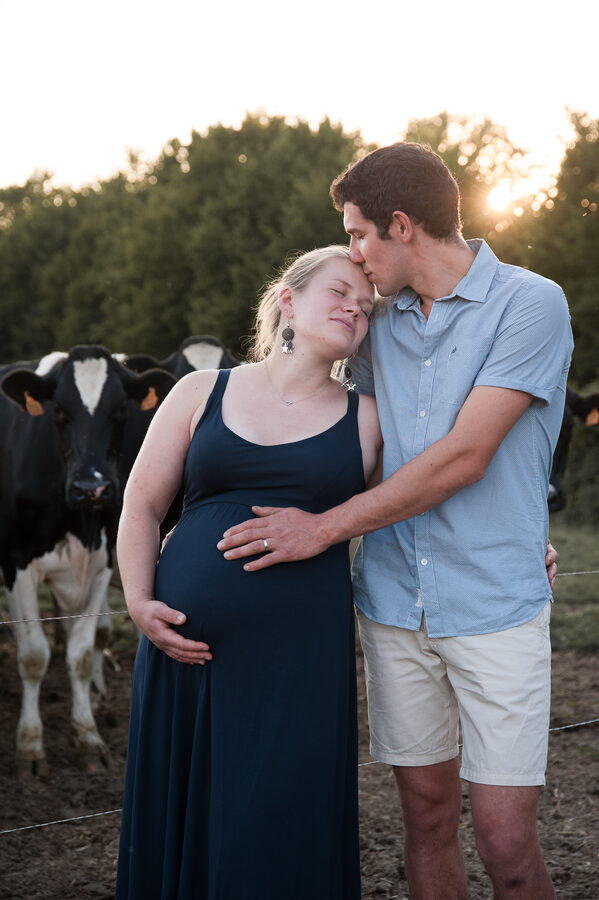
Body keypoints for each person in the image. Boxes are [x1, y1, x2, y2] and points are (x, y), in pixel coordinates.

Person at [217, 143, 573, 899]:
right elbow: (343, 435)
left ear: (401, 226)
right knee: (425, 817)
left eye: (357, 233)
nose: (353, 253)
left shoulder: (530, 302)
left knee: (507, 845)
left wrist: (320, 529)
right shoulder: (376, 324)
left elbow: (464, 456)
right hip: (391, 606)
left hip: (494, 608)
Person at [114, 245, 382, 900]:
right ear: (288, 300)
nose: (355, 307)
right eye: (341, 291)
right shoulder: (201, 390)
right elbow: (142, 505)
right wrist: (139, 601)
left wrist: (524, 542)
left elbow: (419, 505)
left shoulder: (368, 420)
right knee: (182, 814)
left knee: (279, 810)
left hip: (299, 658)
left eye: (368, 307)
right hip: (185, 654)